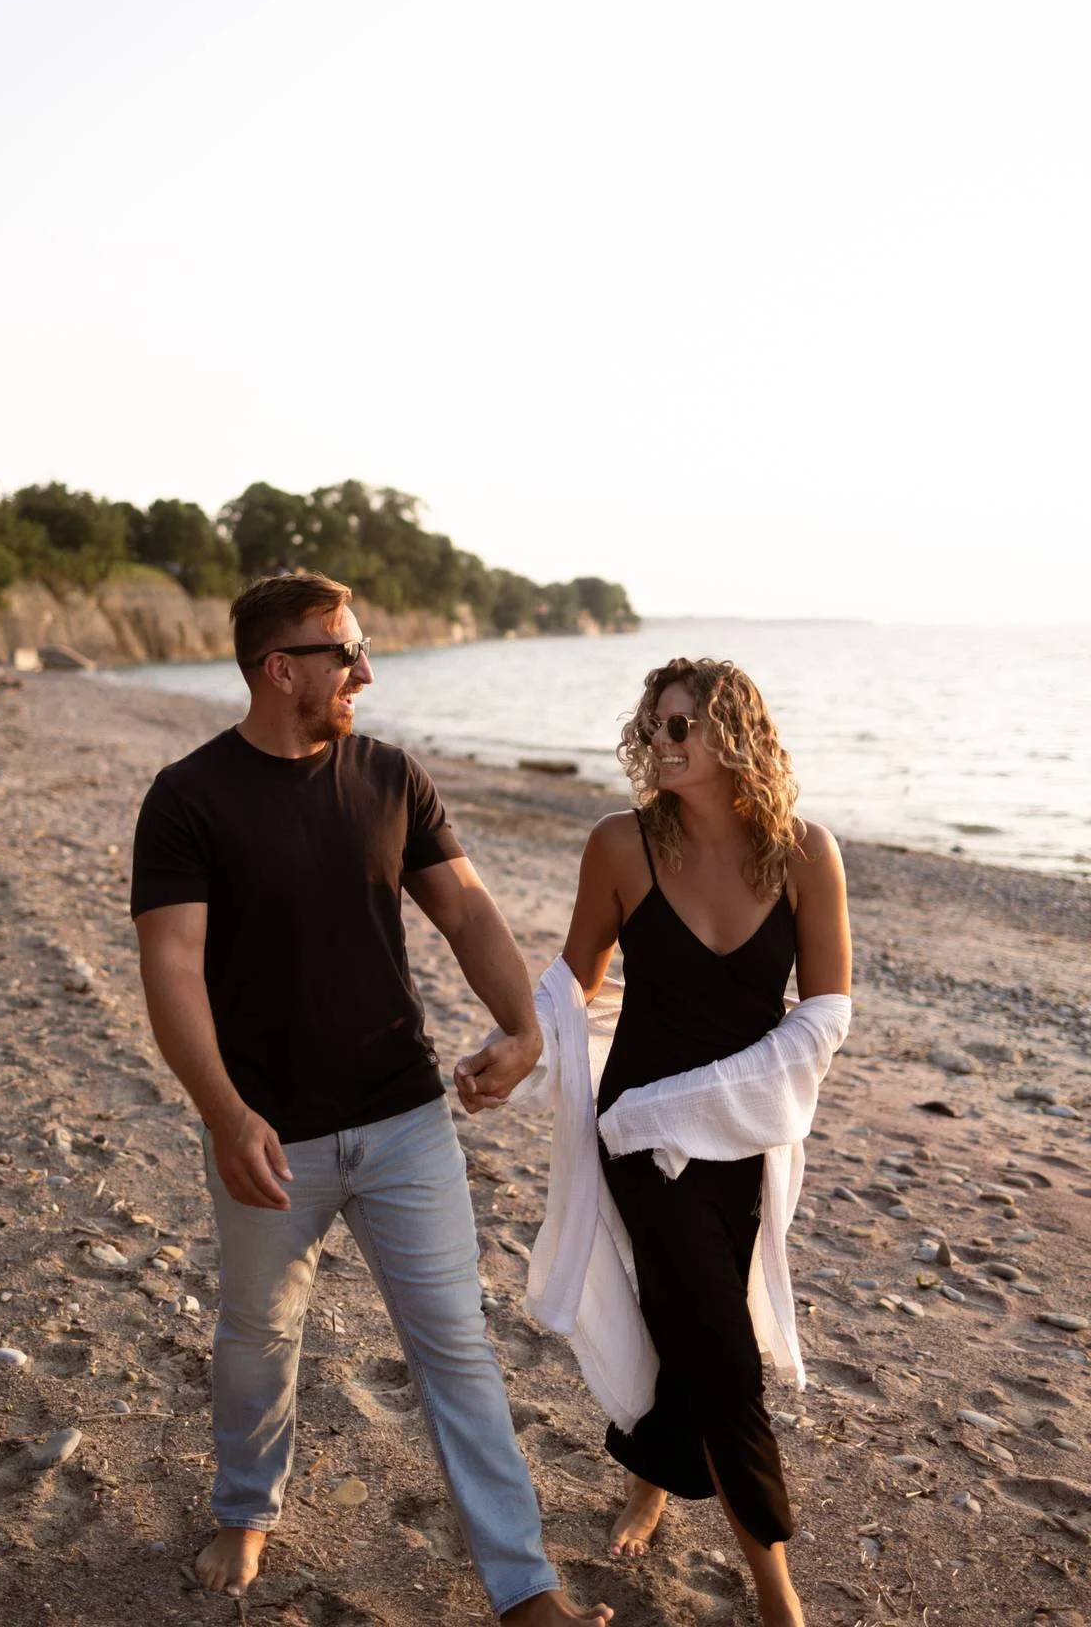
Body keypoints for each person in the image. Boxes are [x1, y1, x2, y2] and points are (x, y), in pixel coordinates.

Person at [130, 571, 612, 1626]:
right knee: (258, 1337)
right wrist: (223, 1113)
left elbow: (468, 912)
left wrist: (526, 1026)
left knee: (456, 1349)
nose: (364, 669)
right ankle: (247, 1509)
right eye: (345, 652)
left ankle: (525, 1590)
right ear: (279, 666)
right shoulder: (189, 798)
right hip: (269, 1136)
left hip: (404, 1118)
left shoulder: (390, 774)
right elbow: (171, 969)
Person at [510, 656, 849, 1627]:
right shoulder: (620, 846)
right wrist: (519, 1042)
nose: (658, 743)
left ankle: (655, 1476)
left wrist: (715, 1096)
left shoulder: (804, 854)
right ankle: (777, 1595)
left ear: (734, 738)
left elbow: (826, 1014)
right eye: (653, 726)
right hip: (636, 1132)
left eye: (679, 728)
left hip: (739, 1132)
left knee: (683, 1317)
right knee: (722, 1347)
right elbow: (571, 981)